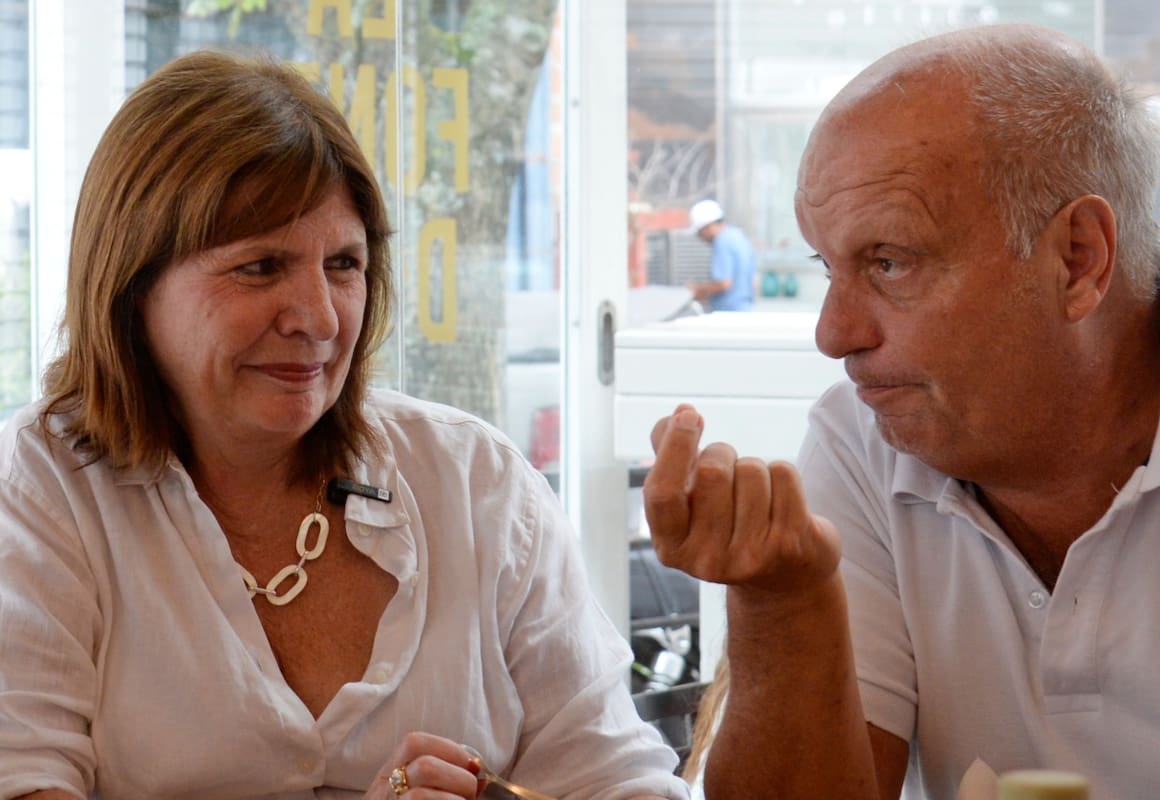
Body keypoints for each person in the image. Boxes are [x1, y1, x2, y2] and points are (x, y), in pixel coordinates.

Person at [0, 51, 690, 800]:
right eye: (261, 267)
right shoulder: (42, 490)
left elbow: (620, 781)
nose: (320, 319)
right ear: (132, 285)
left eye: (343, 264)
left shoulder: (475, 480)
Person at [644, 23, 1160, 800]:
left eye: (889, 262)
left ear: (1078, 258)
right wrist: (782, 604)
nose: (833, 333)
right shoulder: (864, 439)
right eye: (827, 266)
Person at [685, 199, 757, 311]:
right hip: (745, 309)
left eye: (699, 233)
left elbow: (723, 283)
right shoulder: (738, 236)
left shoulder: (722, 241)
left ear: (708, 226)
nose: (701, 238)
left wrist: (697, 291)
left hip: (728, 313)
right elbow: (754, 281)